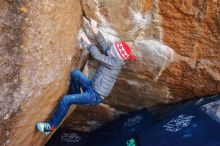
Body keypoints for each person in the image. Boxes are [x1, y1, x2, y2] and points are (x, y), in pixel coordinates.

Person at [36, 19, 135, 135]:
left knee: (65, 100)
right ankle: (75, 94)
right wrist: (94, 29)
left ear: (115, 55)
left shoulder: (114, 63)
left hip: (95, 95)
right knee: (75, 74)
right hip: (92, 86)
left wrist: (86, 40)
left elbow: (97, 55)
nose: (109, 49)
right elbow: (104, 45)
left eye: (112, 49)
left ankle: (50, 127)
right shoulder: (115, 56)